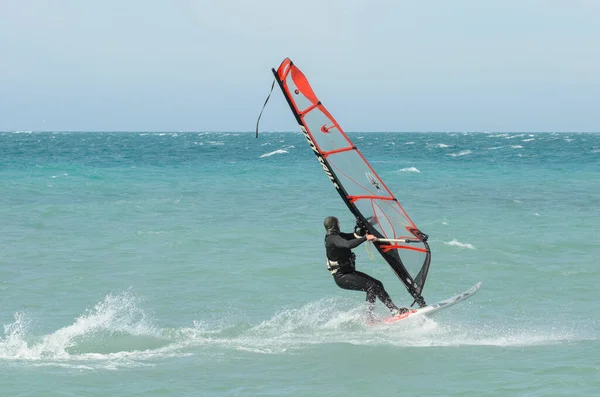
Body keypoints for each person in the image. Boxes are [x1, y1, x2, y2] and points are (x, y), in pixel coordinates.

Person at [323, 216, 408, 319]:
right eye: (338, 223)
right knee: (371, 286)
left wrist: (369, 224)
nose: (339, 225)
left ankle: (394, 310)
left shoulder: (338, 236)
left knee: (377, 284)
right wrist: (365, 238)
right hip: (342, 277)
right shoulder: (332, 239)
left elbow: (355, 236)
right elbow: (348, 244)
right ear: (335, 225)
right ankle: (369, 317)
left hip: (348, 273)